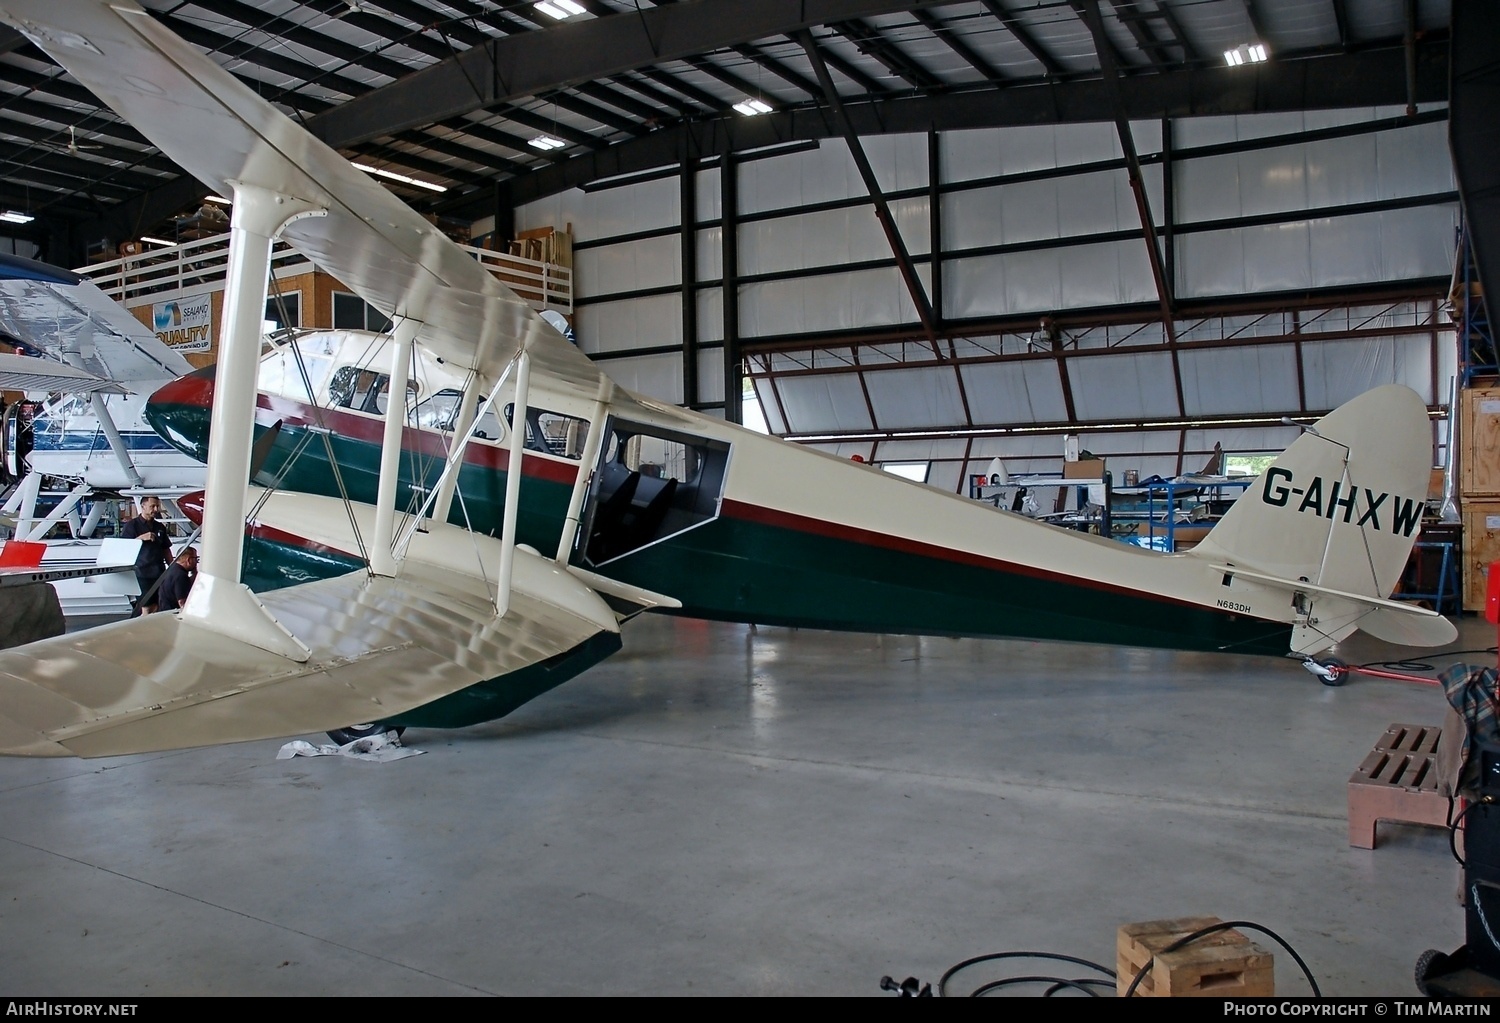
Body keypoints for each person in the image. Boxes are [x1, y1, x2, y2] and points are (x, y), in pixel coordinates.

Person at [120, 496, 172, 613]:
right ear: (143, 506)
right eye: (152, 506)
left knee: (159, 606)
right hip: (141, 573)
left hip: (159, 573)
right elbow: (123, 547)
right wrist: (140, 538)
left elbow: (166, 549)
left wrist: (172, 567)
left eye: (157, 506)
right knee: (146, 607)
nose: (155, 509)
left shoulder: (160, 527)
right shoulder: (132, 526)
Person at [157, 547, 197, 612]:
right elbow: (182, 603)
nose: (196, 562)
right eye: (195, 558)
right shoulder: (181, 576)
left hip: (164, 609)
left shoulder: (172, 569)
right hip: (172, 613)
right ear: (189, 560)